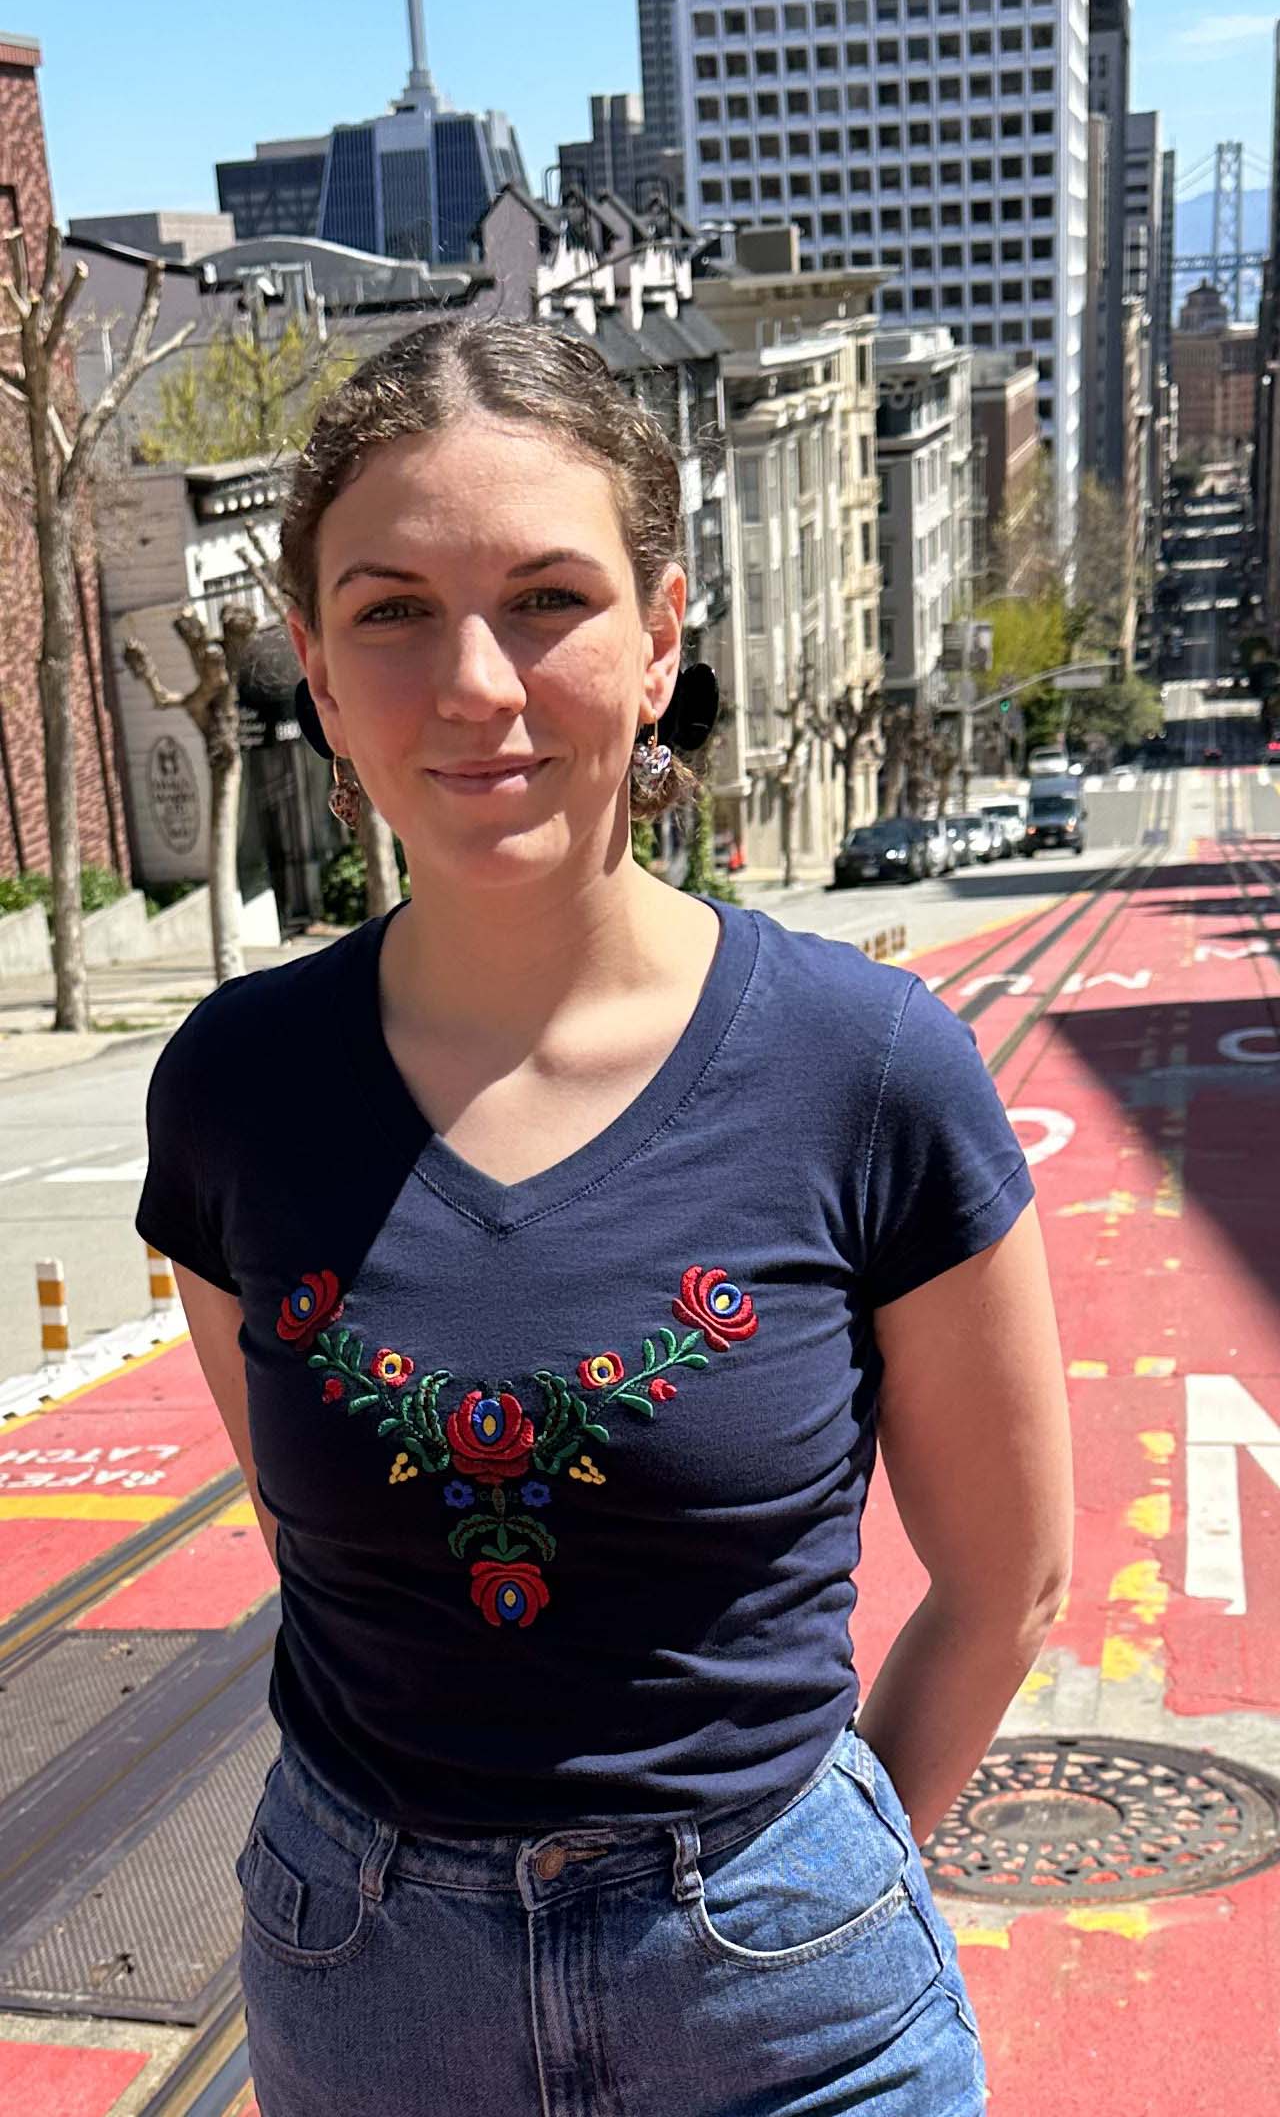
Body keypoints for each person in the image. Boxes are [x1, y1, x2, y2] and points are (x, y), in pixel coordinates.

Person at [137, 319, 1073, 2117]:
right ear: (315, 670)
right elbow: (310, 1541)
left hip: (793, 2013)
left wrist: (808, 1885)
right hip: (366, 1984)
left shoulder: (870, 1066)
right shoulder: (233, 1091)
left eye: (548, 599)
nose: (474, 682)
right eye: (392, 611)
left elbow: (1006, 1582)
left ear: (659, 640)